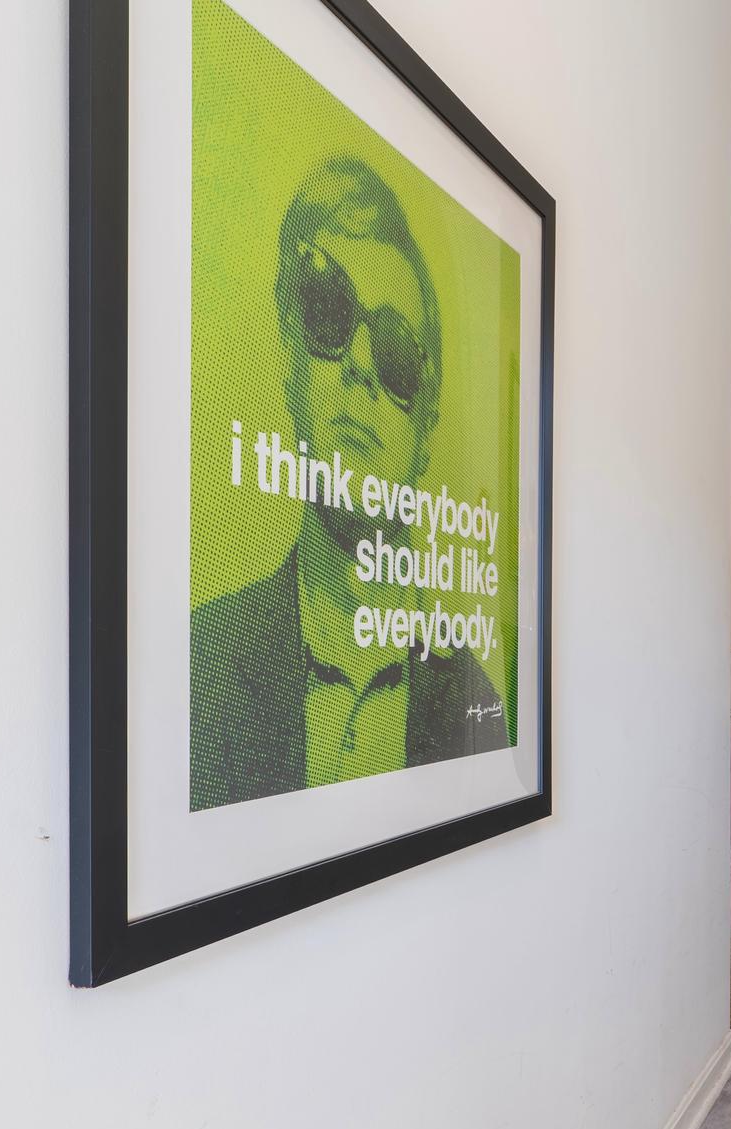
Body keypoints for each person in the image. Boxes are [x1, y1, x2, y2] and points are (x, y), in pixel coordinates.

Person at [190, 157, 505, 811]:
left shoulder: (477, 700)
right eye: (332, 317)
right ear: (289, 355)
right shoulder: (199, 669)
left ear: (426, 429)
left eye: (394, 352)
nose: (362, 364)